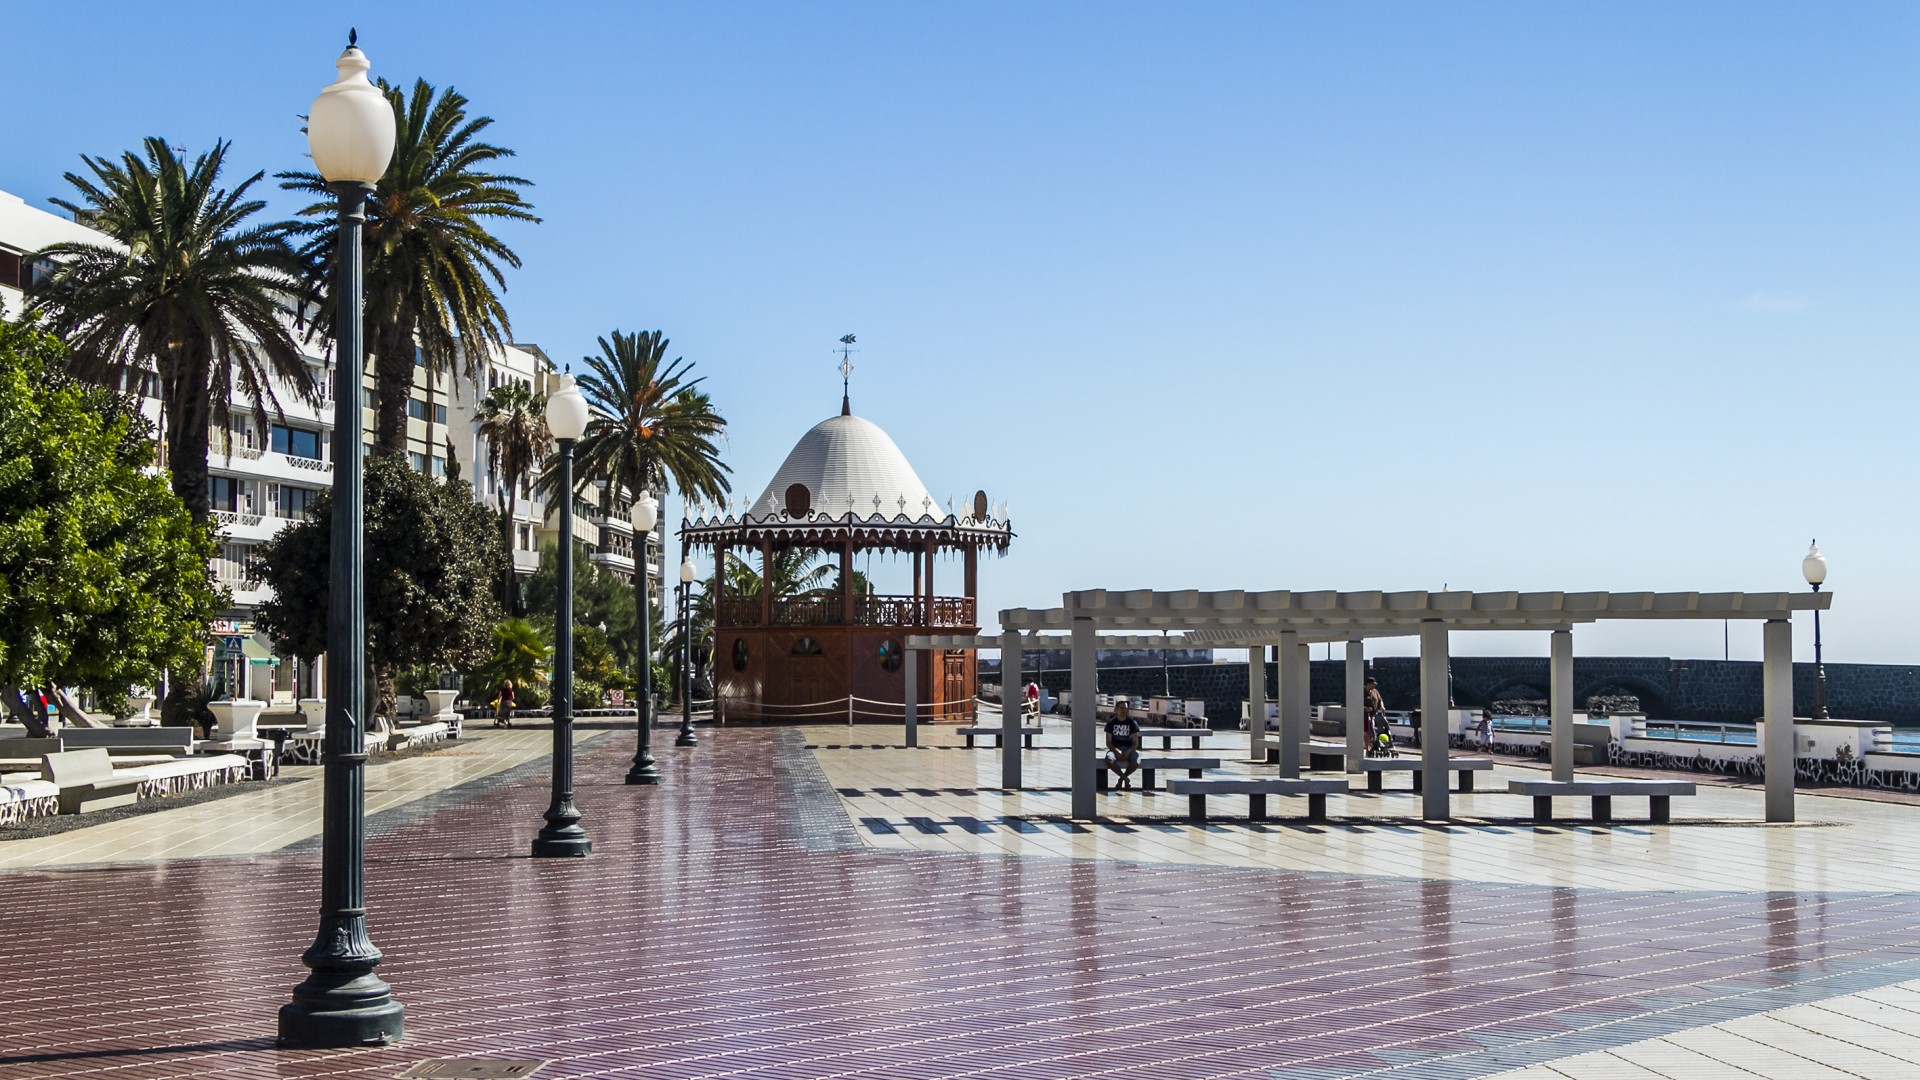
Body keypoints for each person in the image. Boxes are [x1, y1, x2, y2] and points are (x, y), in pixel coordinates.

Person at [1105, 698, 1142, 790]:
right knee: (1109, 760)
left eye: (1125, 708)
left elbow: (1135, 742)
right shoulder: (1111, 723)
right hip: (1115, 748)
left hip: (1128, 748)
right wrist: (1116, 751)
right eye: (1121, 708)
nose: (1124, 710)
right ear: (1116, 709)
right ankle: (1125, 778)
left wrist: (1128, 751)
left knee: (1136, 761)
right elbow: (1108, 742)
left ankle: (1121, 779)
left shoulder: (1132, 723)